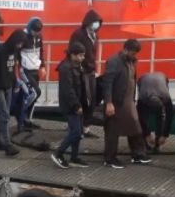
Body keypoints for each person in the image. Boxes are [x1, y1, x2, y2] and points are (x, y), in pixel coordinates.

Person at [102, 39, 151, 169]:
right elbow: (108, 82)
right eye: (133, 53)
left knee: (134, 126)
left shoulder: (131, 62)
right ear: (125, 49)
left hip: (128, 100)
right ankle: (110, 158)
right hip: (117, 101)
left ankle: (138, 154)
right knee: (113, 130)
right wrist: (109, 102)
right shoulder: (113, 61)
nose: (134, 56)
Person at [0, 29, 27, 156]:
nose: (20, 46)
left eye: (21, 44)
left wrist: (15, 83)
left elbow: (12, 69)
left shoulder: (15, 51)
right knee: (5, 115)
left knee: (5, 114)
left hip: (8, 85)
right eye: (19, 43)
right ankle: (7, 144)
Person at [52, 42, 89, 169]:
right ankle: (58, 153)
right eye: (80, 55)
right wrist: (76, 105)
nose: (82, 58)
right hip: (71, 105)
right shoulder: (66, 68)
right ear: (73, 55)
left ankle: (74, 157)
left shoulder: (76, 65)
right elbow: (68, 90)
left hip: (77, 103)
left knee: (77, 131)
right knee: (76, 132)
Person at [70, 9, 102, 138]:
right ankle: (77, 127)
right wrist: (78, 68)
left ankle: (85, 127)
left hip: (91, 71)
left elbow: (92, 54)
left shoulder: (94, 35)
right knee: (82, 99)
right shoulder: (78, 34)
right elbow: (73, 52)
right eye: (95, 22)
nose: (97, 25)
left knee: (92, 99)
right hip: (82, 71)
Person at [137, 71, 173, 154]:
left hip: (161, 79)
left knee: (160, 116)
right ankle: (145, 142)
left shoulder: (165, 96)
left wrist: (165, 135)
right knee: (143, 117)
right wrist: (147, 134)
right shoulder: (142, 98)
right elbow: (140, 117)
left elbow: (169, 116)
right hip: (143, 81)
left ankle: (157, 141)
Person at [19, 17, 45, 130]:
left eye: (38, 32)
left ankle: (27, 119)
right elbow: (16, 52)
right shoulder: (22, 37)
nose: (36, 33)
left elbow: (41, 51)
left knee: (33, 96)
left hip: (35, 68)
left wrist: (42, 66)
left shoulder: (39, 37)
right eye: (34, 31)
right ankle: (20, 116)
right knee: (34, 93)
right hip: (25, 69)